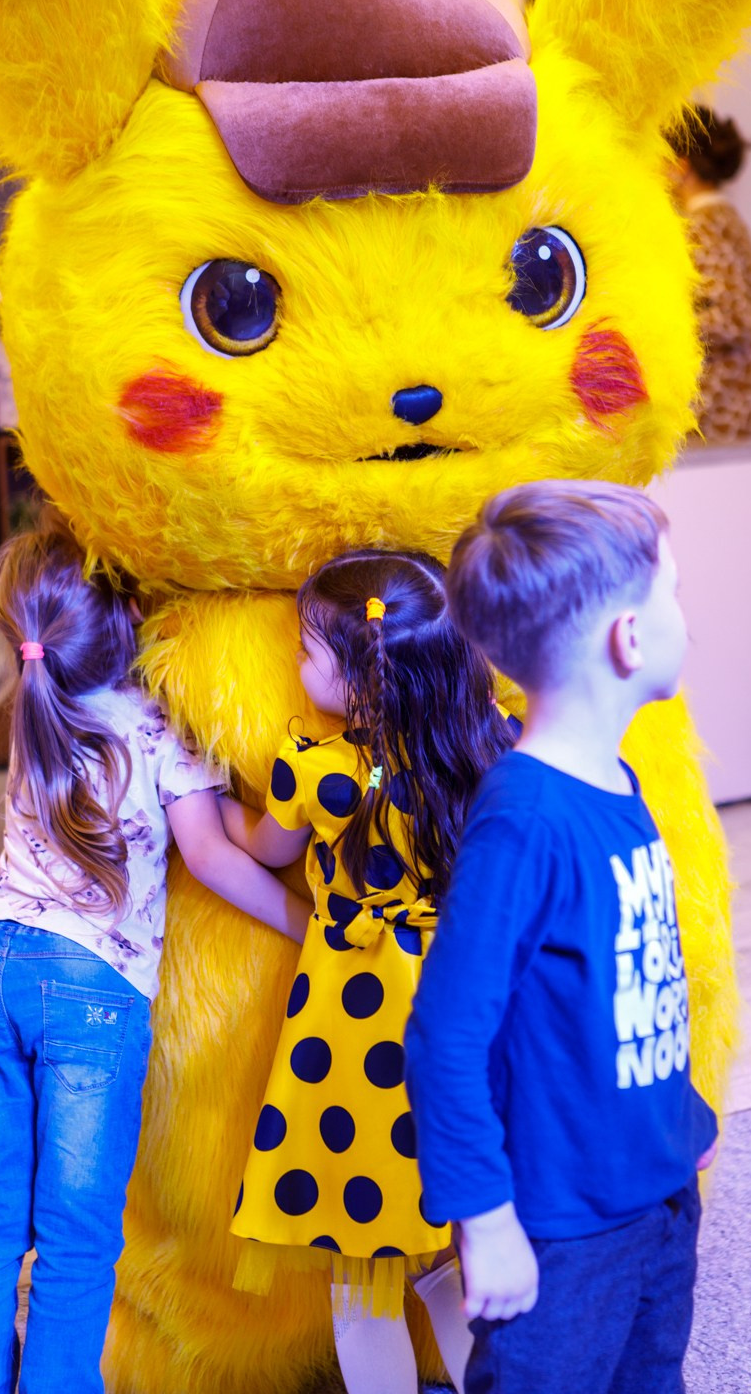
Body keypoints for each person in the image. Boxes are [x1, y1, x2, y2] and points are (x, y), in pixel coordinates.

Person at [0, 523, 310, 1394]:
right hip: (92, 995)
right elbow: (219, 857)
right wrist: (307, 919)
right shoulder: (150, 725)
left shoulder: (37, 710)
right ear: (133, 615)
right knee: (78, 1232)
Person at [404, 481, 719, 1394]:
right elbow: (443, 1036)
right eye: (672, 593)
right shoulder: (525, 820)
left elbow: (630, 978)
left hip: (656, 1189)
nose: (682, 618)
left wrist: (681, 1118)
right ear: (627, 637)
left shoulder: (613, 780)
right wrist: (485, 1217)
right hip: (564, 1222)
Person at [220, 549, 518, 1394]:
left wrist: (211, 806)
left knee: (358, 1277)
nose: (293, 663)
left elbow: (260, 849)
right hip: (451, 1019)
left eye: (306, 650)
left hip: (350, 1041)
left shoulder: (314, 770)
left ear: (358, 676)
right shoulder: (487, 746)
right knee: (444, 1255)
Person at [668, 104, 751, 753]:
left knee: (743, 581)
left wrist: (662, 323)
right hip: (744, 433)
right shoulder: (719, 222)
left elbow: (726, 319)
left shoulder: (704, 226)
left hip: (730, 436)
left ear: (681, 163)